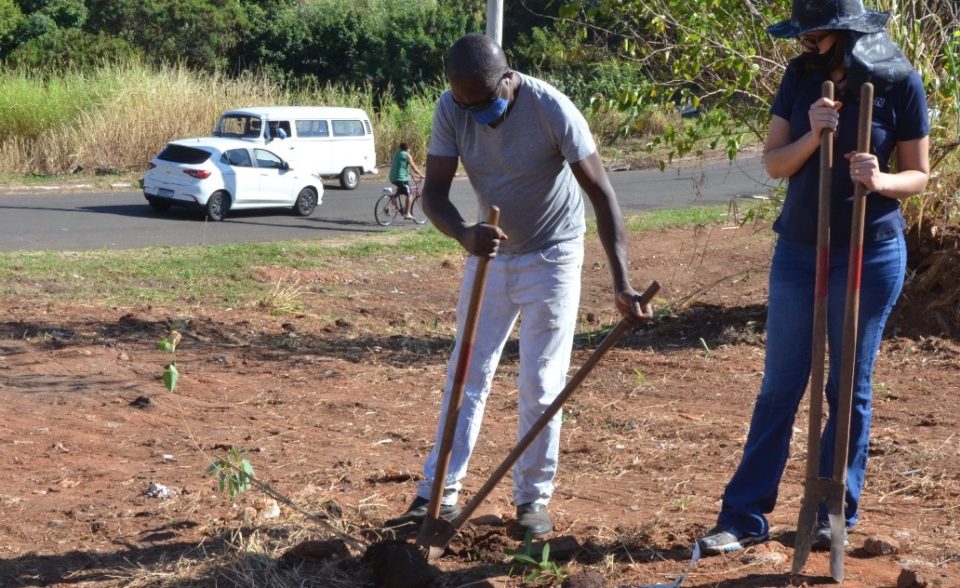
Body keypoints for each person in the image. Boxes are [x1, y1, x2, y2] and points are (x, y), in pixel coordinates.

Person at [383, 33, 653, 538]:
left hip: (554, 253)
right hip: (492, 253)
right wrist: (465, 234)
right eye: (467, 104)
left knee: (540, 383)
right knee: (466, 372)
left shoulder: (551, 107)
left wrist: (622, 283)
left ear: (508, 78)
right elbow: (434, 194)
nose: (476, 113)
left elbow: (603, 195)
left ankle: (532, 502)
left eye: (485, 102)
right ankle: (434, 494)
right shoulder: (451, 109)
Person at [697, 0, 930, 555]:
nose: (805, 45)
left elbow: (919, 174)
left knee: (847, 386)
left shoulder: (899, 82)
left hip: (869, 254)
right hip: (801, 251)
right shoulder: (801, 78)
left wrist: (881, 180)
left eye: (815, 37)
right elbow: (776, 162)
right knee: (781, 385)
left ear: (844, 36)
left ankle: (832, 511)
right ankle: (744, 515)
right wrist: (811, 134)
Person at [388, 142, 425, 220]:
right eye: (409, 149)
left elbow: (402, 167)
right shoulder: (407, 155)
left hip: (393, 178)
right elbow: (414, 167)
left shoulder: (397, 154)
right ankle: (407, 213)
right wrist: (421, 175)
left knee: (402, 190)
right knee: (410, 194)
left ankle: (392, 203)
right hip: (400, 179)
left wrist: (412, 174)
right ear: (408, 149)